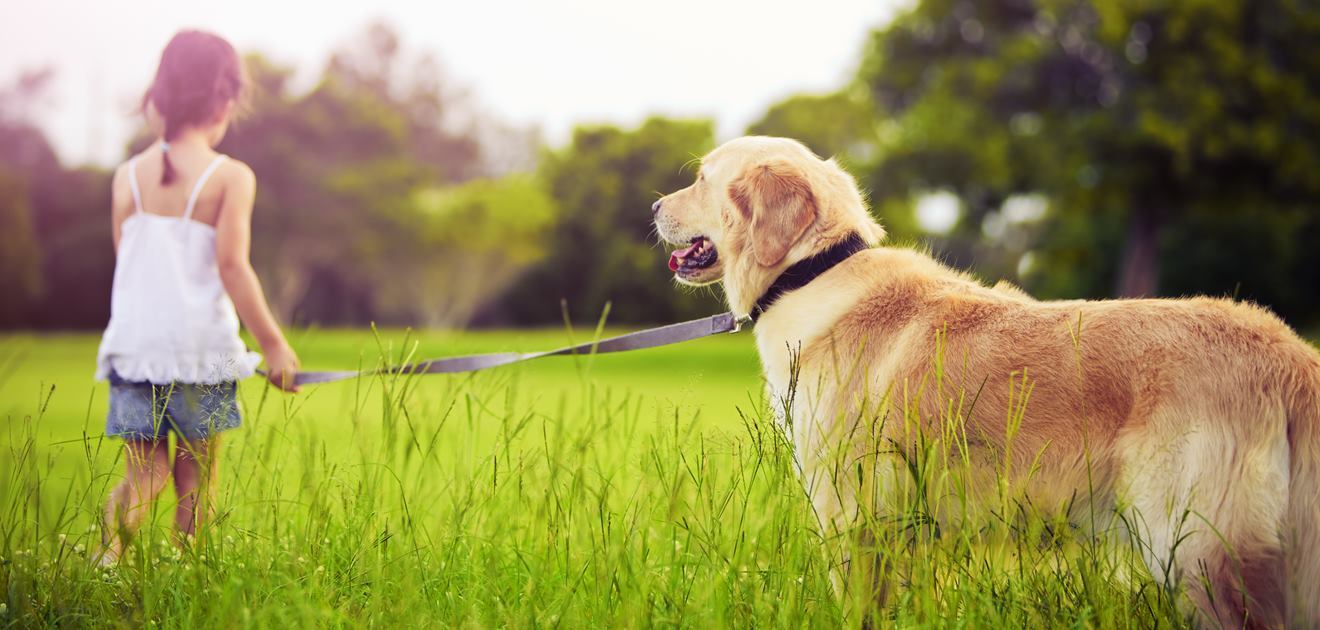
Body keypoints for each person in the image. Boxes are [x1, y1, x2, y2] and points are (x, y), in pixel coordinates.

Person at [95, 30, 300, 563]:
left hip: (135, 351)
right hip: (200, 355)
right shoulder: (230, 176)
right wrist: (273, 345)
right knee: (197, 479)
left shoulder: (126, 178)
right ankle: (191, 575)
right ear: (225, 102)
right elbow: (232, 266)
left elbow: (128, 265)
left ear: (158, 98)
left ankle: (105, 561)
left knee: (145, 473)